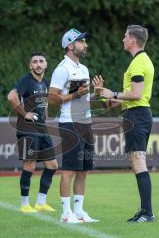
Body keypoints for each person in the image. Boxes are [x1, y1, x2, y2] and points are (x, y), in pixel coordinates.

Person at [93, 25, 155, 222]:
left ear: (132, 41)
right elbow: (131, 97)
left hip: (137, 115)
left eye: (125, 36)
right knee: (137, 162)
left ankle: (147, 213)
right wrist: (106, 95)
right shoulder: (141, 60)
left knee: (138, 162)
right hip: (137, 113)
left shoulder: (138, 63)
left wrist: (115, 94)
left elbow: (135, 94)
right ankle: (145, 211)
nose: (122, 39)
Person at [49, 28, 99, 223]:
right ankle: (65, 213)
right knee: (69, 169)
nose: (85, 44)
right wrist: (74, 95)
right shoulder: (62, 69)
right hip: (70, 124)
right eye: (81, 41)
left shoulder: (84, 69)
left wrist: (97, 94)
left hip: (85, 123)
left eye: (84, 41)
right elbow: (52, 99)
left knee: (83, 170)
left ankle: (79, 211)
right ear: (70, 46)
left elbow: (83, 100)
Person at [8, 52, 58, 213]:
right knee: (29, 165)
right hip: (27, 129)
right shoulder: (26, 81)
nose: (38, 64)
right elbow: (11, 96)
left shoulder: (45, 82)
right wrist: (25, 114)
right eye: (34, 62)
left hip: (42, 129)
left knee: (52, 165)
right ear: (30, 65)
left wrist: (46, 115)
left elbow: (46, 101)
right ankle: (24, 204)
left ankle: (40, 202)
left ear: (46, 65)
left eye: (41, 61)